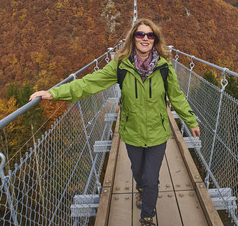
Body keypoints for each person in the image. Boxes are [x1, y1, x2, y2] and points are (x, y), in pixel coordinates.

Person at [29, 18, 200, 226]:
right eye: (140, 34)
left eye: (150, 35)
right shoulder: (120, 67)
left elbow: (176, 96)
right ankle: (140, 191)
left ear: (155, 39)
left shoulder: (164, 68)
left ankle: (147, 217)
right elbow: (89, 83)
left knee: (151, 178)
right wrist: (54, 93)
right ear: (133, 39)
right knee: (138, 173)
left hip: (158, 132)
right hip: (131, 132)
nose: (145, 38)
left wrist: (191, 121)